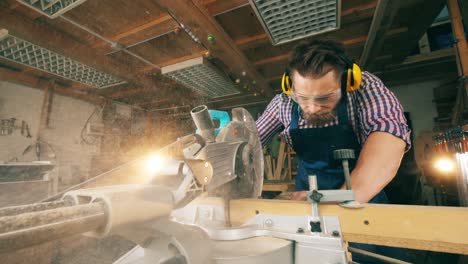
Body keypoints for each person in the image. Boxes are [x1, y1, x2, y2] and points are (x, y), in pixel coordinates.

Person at [255, 39, 411, 262]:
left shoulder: (364, 87)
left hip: (364, 199)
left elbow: (388, 137)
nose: (312, 107)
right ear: (290, 86)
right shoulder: (284, 102)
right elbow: (248, 143)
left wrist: (337, 202)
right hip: (307, 199)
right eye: (303, 98)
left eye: (324, 98)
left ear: (348, 81)